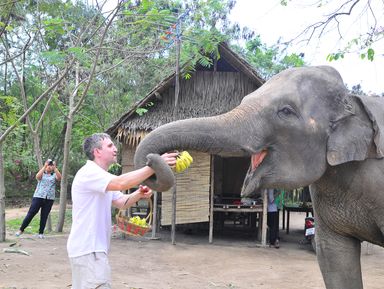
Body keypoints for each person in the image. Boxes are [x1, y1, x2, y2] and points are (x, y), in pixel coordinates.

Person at [67, 133, 177, 289]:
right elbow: (121, 183)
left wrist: (139, 193)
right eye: (110, 146)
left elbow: (121, 202)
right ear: (97, 151)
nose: (115, 149)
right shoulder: (89, 173)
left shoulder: (102, 177)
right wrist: (156, 165)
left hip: (91, 249)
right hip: (89, 249)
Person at [16, 159, 62, 239]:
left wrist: (55, 168)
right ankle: (21, 229)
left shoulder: (54, 175)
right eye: (48, 165)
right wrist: (44, 166)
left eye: (51, 166)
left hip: (49, 198)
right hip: (38, 196)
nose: (49, 167)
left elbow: (59, 178)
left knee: (44, 215)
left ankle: (41, 233)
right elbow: (37, 177)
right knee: (31, 213)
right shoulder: (42, 173)